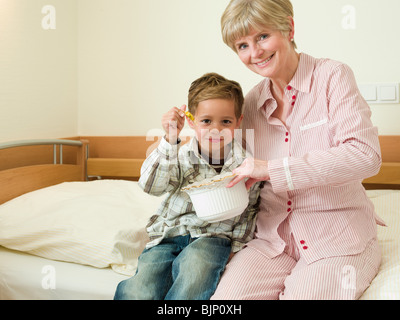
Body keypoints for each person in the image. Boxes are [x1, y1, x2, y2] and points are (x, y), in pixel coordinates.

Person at [211, 0, 384, 300]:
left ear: (289, 28)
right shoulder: (250, 104)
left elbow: (364, 155)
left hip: (337, 237)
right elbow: (231, 167)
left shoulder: (333, 76)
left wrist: (272, 169)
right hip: (271, 241)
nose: (255, 53)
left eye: (262, 37)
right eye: (242, 45)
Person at [114, 72, 261, 300]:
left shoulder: (246, 165)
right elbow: (151, 186)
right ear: (192, 121)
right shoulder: (179, 155)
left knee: (195, 274)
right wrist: (170, 138)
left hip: (213, 238)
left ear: (238, 122)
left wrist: (237, 247)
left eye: (226, 121)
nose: (215, 129)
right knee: (139, 289)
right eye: (206, 121)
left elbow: (249, 210)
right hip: (168, 236)